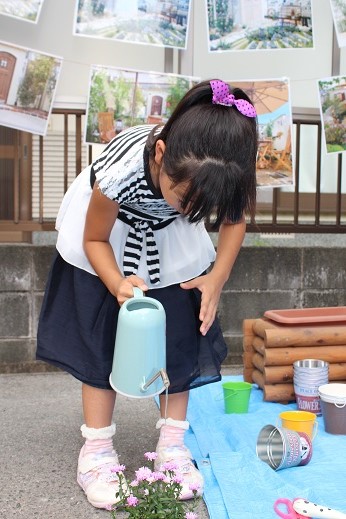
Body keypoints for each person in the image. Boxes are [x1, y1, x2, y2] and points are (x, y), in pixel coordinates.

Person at [36, 79, 257, 510]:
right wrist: (118, 283)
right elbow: (95, 238)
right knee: (103, 341)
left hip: (170, 243)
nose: (190, 211)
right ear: (161, 156)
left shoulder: (218, 170)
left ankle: (172, 446)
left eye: (201, 208)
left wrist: (215, 279)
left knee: (180, 336)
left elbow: (235, 219)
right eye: (185, 199)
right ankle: (96, 452)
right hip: (108, 237)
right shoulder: (120, 171)